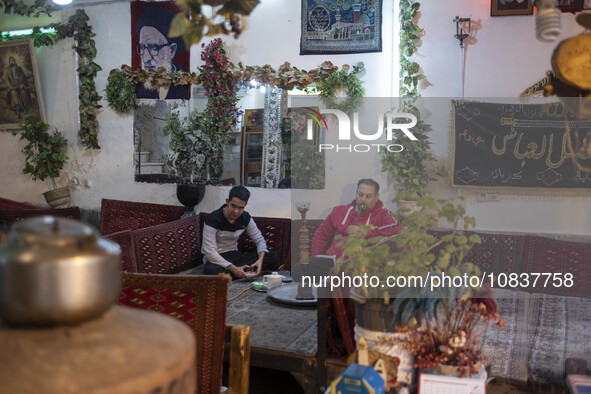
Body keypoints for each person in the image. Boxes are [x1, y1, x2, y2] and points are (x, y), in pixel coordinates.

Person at [311, 178, 402, 259]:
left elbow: (396, 228)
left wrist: (365, 233)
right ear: (356, 194)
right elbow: (321, 235)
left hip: (360, 267)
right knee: (300, 269)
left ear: (376, 198)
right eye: (360, 194)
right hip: (332, 262)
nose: (363, 199)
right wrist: (316, 258)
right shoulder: (339, 211)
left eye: (368, 196)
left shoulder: (383, 214)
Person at [202, 185, 279, 279]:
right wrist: (233, 268)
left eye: (240, 208)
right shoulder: (213, 219)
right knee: (211, 271)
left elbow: (259, 240)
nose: (236, 211)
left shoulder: (246, 218)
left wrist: (260, 260)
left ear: (245, 205)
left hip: (235, 255)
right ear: (227, 201)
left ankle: (240, 272)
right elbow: (210, 252)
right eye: (233, 206)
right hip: (217, 258)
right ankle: (245, 272)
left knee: (273, 256)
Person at [134, 6, 189, 100]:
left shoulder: (186, 79)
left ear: (172, 50)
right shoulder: (137, 83)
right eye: (142, 47)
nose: (146, 58)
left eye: (154, 47)